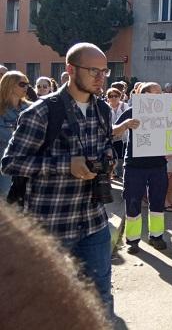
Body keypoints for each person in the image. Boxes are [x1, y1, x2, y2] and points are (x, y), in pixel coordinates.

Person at [1, 43, 115, 313]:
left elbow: (107, 146)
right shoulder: (42, 111)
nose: (100, 78)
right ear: (70, 70)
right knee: (43, 302)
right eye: (93, 71)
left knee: (100, 297)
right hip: (50, 224)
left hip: (93, 221)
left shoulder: (103, 111)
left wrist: (107, 162)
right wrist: (66, 165)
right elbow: (10, 163)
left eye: (104, 71)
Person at [113, 82, 169, 254]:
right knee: (133, 202)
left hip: (158, 165)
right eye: (156, 93)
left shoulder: (166, 111)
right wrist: (126, 125)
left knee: (158, 201)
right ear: (144, 95)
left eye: (161, 93)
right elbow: (112, 131)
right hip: (134, 166)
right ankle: (133, 240)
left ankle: (156, 236)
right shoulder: (131, 111)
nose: (161, 96)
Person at [0, 71, 31, 196]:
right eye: (22, 84)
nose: (26, 87)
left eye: (28, 84)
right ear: (10, 85)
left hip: (27, 163)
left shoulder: (32, 109)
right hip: (4, 163)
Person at [106, 87, 128, 180]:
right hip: (111, 136)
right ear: (108, 98)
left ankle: (120, 173)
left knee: (121, 155)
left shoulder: (125, 106)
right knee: (111, 156)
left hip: (123, 136)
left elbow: (127, 120)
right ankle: (112, 173)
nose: (114, 98)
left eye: (116, 96)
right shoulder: (105, 107)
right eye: (111, 96)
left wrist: (121, 130)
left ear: (120, 96)